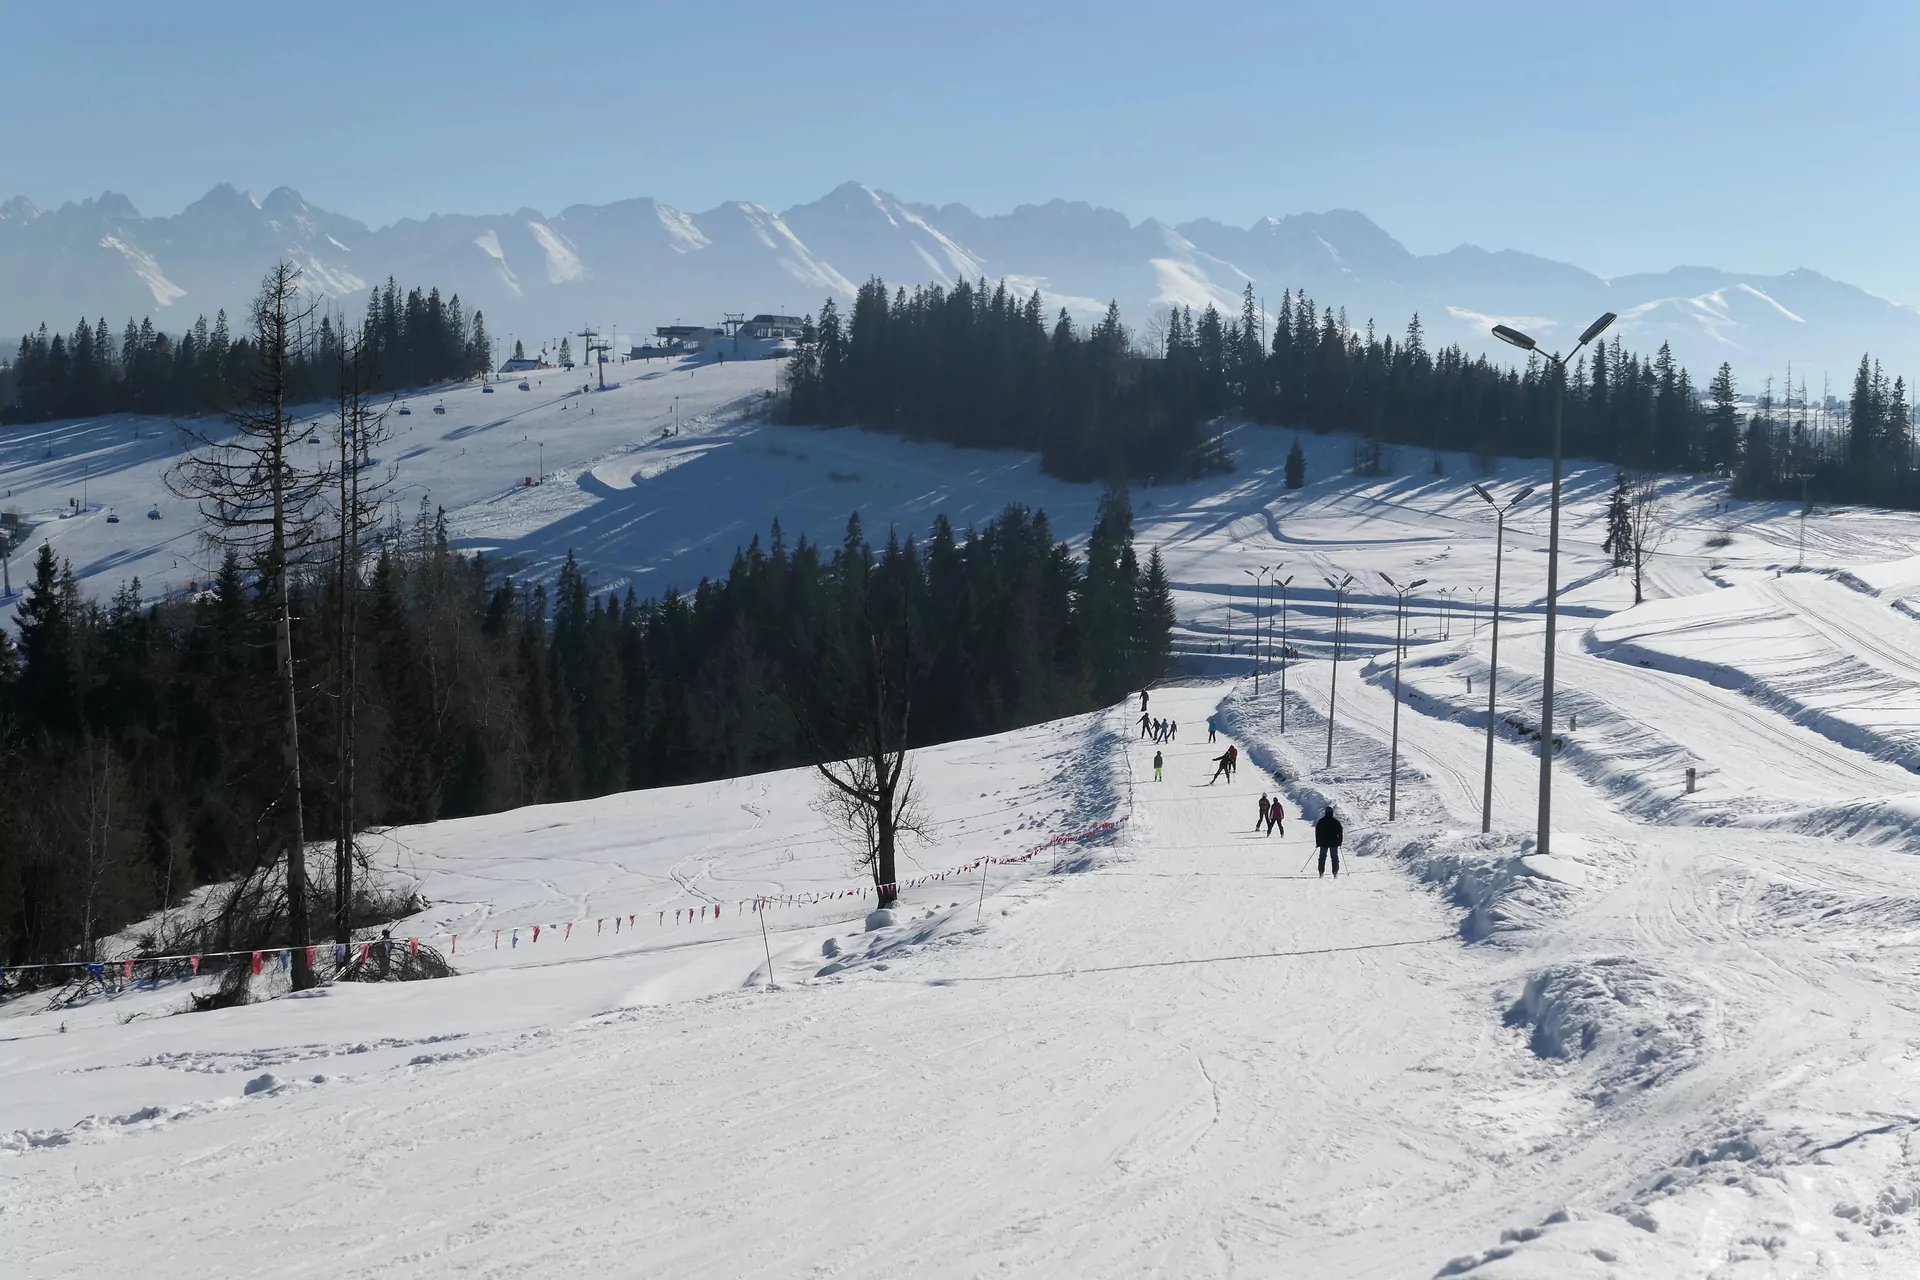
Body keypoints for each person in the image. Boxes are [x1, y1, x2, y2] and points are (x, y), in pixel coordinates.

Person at [1314, 805, 1344, 877]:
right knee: (1334, 858)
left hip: (1323, 842)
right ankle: (1335, 872)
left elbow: (1317, 832)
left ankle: (1321, 872)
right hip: (1334, 842)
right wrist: (1340, 842)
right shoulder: (1336, 822)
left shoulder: (1321, 821)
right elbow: (1340, 832)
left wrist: (1318, 842)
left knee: (1322, 857)